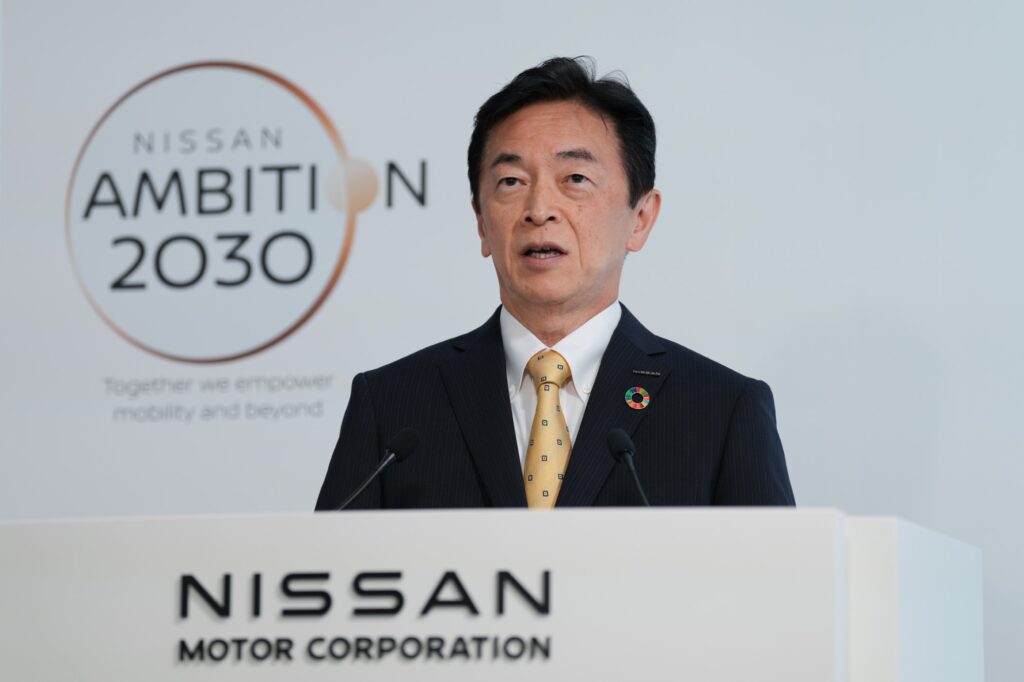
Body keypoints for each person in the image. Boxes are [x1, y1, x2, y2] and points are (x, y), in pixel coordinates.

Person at [316, 57, 795, 510]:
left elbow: (773, 571)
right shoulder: (393, 407)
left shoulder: (721, 410)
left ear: (641, 218)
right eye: (511, 181)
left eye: (575, 178)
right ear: (481, 222)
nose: (539, 209)